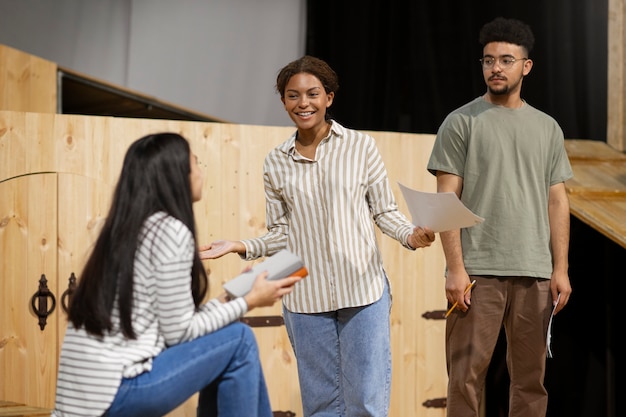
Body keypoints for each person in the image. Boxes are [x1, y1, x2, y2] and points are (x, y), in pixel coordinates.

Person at [199, 55, 435, 417]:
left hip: (363, 290)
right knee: (321, 405)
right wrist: (239, 245)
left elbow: (384, 211)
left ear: (329, 97)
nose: (303, 103)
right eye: (293, 96)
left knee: (366, 404)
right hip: (305, 298)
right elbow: (281, 234)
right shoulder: (275, 161)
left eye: (312, 94)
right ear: (283, 102)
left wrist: (410, 236)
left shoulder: (360, 146)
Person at [52, 132, 303, 417]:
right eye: (195, 163)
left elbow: (176, 323)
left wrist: (228, 298)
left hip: (87, 400)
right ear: (176, 175)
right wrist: (249, 302)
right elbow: (180, 333)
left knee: (229, 338)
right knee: (239, 339)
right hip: (116, 394)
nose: (200, 171)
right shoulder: (169, 231)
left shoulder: (125, 230)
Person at [426, 17, 573, 417]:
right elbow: (445, 199)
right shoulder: (461, 122)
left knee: (530, 381)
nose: (496, 68)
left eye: (506, 60)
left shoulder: (547, 128)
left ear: (526, 66)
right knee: (465, 378)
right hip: (477, 272)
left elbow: (557, 201)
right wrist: (454, 268)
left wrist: (560, 268)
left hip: (534, 272)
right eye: (489, 60)